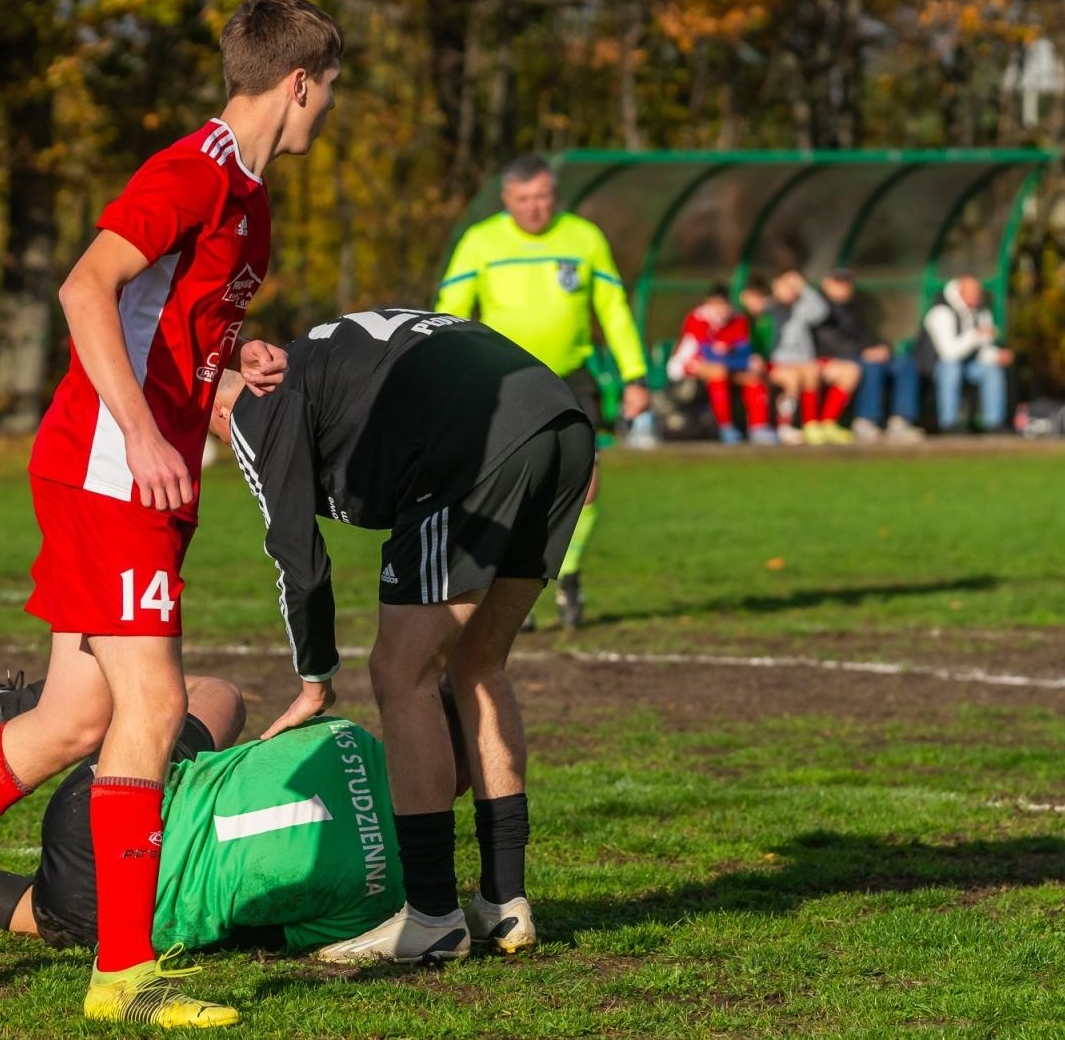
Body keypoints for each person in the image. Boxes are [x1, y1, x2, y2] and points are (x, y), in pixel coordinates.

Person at [0, 0, 342, 1031]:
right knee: (151, 708)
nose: (328, 109)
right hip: (111, 472)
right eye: (328, 91)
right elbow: (84, 288)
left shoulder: (254, 200)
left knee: (72, 721)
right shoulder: (187, 171)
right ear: (298, 83)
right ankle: (124, 973)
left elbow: (173, 319)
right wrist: (144, 432)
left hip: (131, 477)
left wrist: (238, 355)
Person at [207, 308, 596, 964]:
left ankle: (433, 916)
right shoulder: (316, 355)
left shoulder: (251, 404)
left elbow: (297, 556)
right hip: (561, 422)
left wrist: (313, 679)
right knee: (478, 667)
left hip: (477, 442)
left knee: (399, 672)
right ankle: (504, 904)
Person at [0, 672, 407, 959]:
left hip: (104, 797)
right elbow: (266, 936)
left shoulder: (342, 735)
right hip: (110, 908)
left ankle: (30, 707)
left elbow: (251, 762)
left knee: (215, 697)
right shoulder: (389, 893)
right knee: (66, 911)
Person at [434, 154, 649, 628]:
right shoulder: (480, 241)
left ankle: (566, 574)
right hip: (501, 379)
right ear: (507, 199)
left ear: (555, 196)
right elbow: (450, 310)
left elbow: (612, 308)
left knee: (585, 486)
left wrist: (635, 374)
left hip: (570, 376)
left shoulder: (584, 238)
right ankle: (511, 583)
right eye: (524, 199)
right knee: (509, 486)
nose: (534, 208)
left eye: (543, 197)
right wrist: (445, 368)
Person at [814, 269, 923, 444]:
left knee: (904, 364)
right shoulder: (818, 308)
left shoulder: (854, 308)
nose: (844, 287)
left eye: (846, 282)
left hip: (864, 353)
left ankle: (901, 421)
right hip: (836, 357)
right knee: (871, 367)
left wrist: (883, 348)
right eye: (838, 282)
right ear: (826, 283)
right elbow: (827, 341)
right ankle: (866, 420)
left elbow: (868, 335)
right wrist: (863, 352)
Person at [665, 284, 774, 445]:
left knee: (753, 377)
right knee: (719, 372)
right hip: (687, 365)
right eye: (715, 304)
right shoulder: (698, 318)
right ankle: (725, 427)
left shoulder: (738, 320)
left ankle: (759, 427)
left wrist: (737, 356)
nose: (720, 309)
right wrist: (738, 357)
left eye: (723, 305)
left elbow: (744, 351)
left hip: (727, 365)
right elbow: (708, 355)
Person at [762, 267, 858, 446]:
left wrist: (803, 288)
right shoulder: (770, 307)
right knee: (805, 372)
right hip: (778, 364)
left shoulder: (801, 306)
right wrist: (777, 292)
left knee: (849, 371)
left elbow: (820, 312)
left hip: (806, 362)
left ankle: (827, 423)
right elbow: (759, 306)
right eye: (786, 286)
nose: (790, 291)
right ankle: (806, 424)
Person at [918, 275, 1013, 433]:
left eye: (978, 291)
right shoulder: (941, 311)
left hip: (967, 365)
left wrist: (997, 356)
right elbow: (949, 353)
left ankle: (994, 423)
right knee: (951, 368)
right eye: (972, 292)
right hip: (935, 367)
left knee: (992, 369)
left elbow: (983, 350)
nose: (976, 295)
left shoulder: (982, 312)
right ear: (959, 291)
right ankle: (948, 423)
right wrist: (975, 335)